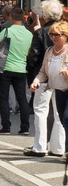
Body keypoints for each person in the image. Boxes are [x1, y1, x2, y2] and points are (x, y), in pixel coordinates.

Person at [26, 20, 68, 157]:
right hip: (56, 89)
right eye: (52, 34)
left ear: (65, 36)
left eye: (57, 35)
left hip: (66, 90)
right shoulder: (50, 51)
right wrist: (36, 81)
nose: (54, 37)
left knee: (65, 119)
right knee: (60, 118)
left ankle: (63, 149)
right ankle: (57, 148)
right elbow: (43, 72)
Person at [0, 7, 33, 135]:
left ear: (12, 17)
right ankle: (25, 127)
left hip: (6, 68)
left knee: (3, 97)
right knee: (22, 98)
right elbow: (29, 52)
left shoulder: (7, 31)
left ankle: (6, 127)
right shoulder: (29, 34)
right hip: (21, 68)